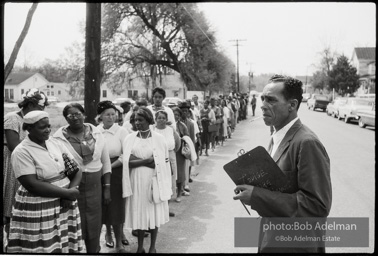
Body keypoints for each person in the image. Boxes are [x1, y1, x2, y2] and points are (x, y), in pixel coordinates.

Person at [233, 74, 332, 253]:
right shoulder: (276, 136)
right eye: (262, 98)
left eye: (271, 100)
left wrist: (257, 196)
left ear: (292, 105)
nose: (262, 105)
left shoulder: (306, 143)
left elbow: (317, 206)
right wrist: (252, 186)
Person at [8, 111, 83, 253]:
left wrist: (69, 193)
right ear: (29, 129)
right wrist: (67, 193)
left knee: (64, 240)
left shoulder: (54, 143)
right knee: (42, 244)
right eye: (43, 127)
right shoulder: (22, 151)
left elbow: (76, 170)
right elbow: (32, 184)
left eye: (49, 126)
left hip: (65, 204)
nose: (48, 129)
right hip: (39, 205)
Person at [52, 103, 112, 253]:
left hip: (95, 186)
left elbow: (106, 162)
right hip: (72, 187)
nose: (75, 117)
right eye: (71, 115)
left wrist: (107, 188)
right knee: (72, 224)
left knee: (94, 223)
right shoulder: (58, 138)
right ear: (66, 118)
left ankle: (94, 250)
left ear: (84, 114)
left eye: (78, 114)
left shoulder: (97, 133)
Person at [3, 88, 49, 246]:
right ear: (29, 105)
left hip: (25, 165)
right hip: (10, 166)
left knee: (18, 209)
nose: (40, 112)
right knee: (8, 205)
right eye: (39, 108)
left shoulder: (33, 123)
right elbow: (13, 145)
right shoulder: (13, 118)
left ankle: (15, 243)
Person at [122, 107, 171, 253]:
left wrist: (143, 160)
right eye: (135, 120)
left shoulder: (159, 139)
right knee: (139, 213)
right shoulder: (130, 138)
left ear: (149, 120)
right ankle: (140, 247)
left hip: (153, 180)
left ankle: (152, 247)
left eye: (140, 120)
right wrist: (146, 161)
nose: (137, 123)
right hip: (136, 180)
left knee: (153, 213)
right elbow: (127, 161)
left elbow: (161, 161)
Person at [96, 101, 130, 253]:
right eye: (107, 114)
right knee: (104, 204)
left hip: (117, 171)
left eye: (113, 114)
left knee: (117, 205)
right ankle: (108, 233)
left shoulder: (122, 132)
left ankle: (119, 240)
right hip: (99, 171)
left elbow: (126, 154)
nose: (111, 117)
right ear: (100, 116)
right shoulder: (95, 131)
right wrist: (102, 168)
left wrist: (110, 166)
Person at [151, 110, 181, 217]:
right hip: (156, 159)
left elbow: (177, 144)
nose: (161, 120)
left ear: (167, 119)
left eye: (164, 118)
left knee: (168, 182)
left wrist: (170, 154)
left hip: (170, 157)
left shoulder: (171, 130)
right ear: (155, 119)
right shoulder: (152, 129)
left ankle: (166, 209)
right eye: (159, 118)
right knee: (158, 183)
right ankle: (157, 210)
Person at [172, 106, 190, 202]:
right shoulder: (168, 126)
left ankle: (179, 193)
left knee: (180, 173)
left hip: (179, 153)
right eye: (174, 114)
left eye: (178, 115)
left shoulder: (182, 126)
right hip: (170, 152)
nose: (176, 116)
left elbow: (187, 138)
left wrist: (182, 138)